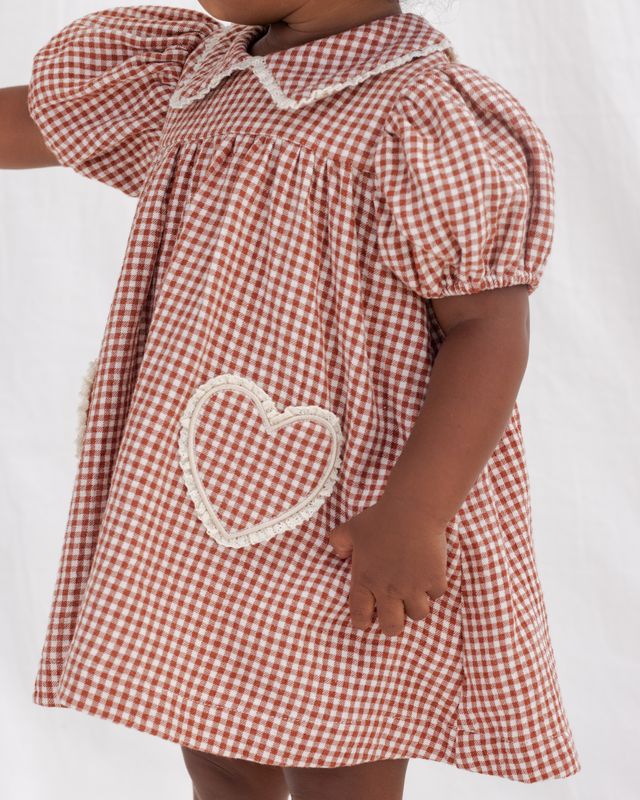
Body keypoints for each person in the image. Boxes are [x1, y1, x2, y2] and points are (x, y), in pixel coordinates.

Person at [0, 0, 581, 796]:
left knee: (346, 721)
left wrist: (418, 510)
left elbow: (487, 327)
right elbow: (39, 125)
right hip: (203, 485)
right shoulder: (202, 76)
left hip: (356, 497)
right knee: (207, 719)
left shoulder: (417, 116)